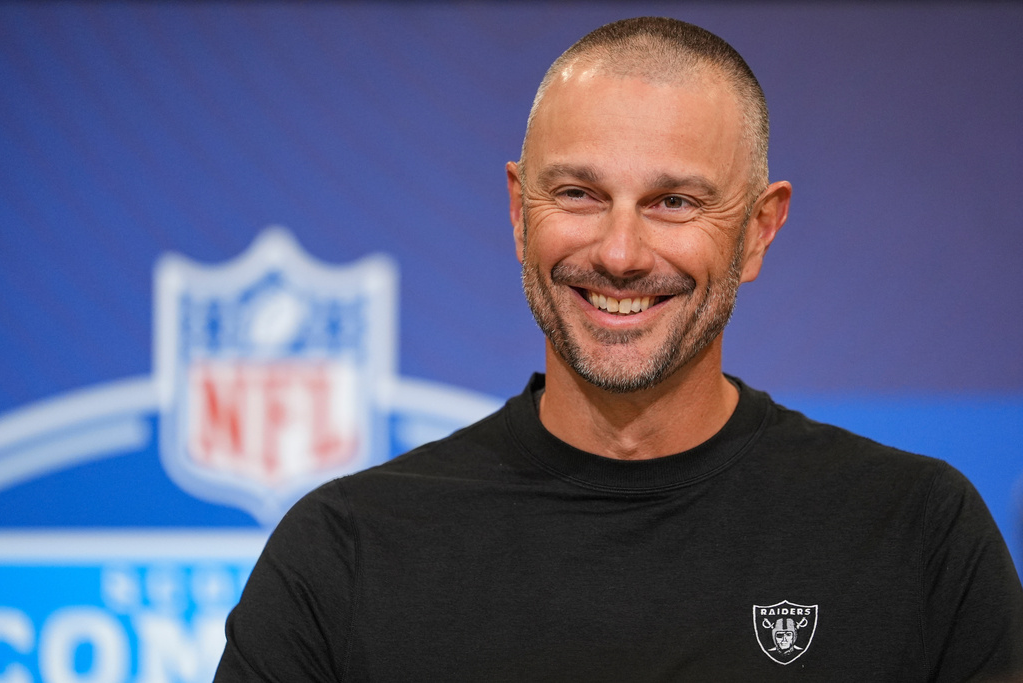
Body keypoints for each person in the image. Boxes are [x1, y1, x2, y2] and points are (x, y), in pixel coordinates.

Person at [214, 17, 1023, 681]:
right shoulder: (345, 551)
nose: (622, 252)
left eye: (675, 201)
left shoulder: (915, 534)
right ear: (518, 208)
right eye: (578, 194)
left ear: (758, 230)